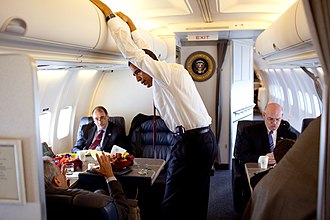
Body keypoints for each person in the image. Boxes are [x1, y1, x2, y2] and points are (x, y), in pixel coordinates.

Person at [89, 1, 218, 219]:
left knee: (172, 201)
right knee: (195, 198)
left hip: (192, 144)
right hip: (200, 141)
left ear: (147, 65)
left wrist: (111, 18)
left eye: (137, 73)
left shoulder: (166, 74)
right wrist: (132, 27)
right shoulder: (168, 72)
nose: (137, 79)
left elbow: (137, 55)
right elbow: (145, 53)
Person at [242, 116, 320, 220]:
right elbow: (241, 154)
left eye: (277, 119)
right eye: (271, 119)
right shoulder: (250, 131)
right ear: (264, 116)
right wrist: (262, 157)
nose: (274, 122)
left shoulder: (289, 134)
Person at [43, 152, 129, 220]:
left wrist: (65, 189)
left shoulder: (37, 204)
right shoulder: (100, 203)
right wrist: (110, 175)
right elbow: (121, 212)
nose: (64, 175)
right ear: (57, 181)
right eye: (61, 173)